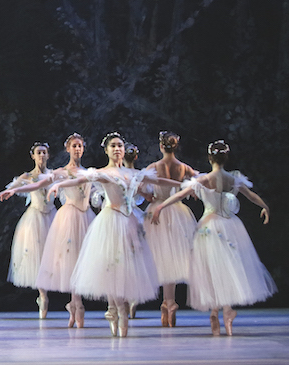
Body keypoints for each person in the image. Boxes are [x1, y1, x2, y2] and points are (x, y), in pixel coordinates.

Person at [45, 132, 183, 337]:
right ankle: (113, 309)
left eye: (120, 145)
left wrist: (189, 184)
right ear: (107, 150)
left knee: (127, 266)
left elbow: (161, 180)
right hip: (110, 222)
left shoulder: (133, 174)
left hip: (129, 224)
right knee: (111, 265)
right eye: (113, 146)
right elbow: (80, 179)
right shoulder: (103, 173)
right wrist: (58, 184)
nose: (117, 149)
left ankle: (121, 310)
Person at [150, 140, 276, 336]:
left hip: (207, 228)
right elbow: (251, 196)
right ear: (225, 158)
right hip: (229, 227)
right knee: (228, 268)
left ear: (210, 159)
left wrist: (160, 206)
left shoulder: (203, 180)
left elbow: (180, 194)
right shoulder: (233, 180)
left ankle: (215, 311)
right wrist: (265, 207)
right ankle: (227, 311)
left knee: (212, 269)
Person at [0, 133, 94, 327]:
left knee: (84, 258)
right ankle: (76, 304)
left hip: (86, 217)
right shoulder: (59, 172)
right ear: (68, 149)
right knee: (71, 259)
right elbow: (39, 184)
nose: (77, 149)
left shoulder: (90, 172)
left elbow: (103, 186)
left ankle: (76, 303)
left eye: (80, 146)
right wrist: (14, 190)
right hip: (68, 218)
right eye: (74, 146)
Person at [0, 142, 57, 318]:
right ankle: (43, 297)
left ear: (48, 155)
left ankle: (60, 295)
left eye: (44, 152)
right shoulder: (27, 176)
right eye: (38, 152)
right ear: (33, 156)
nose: (42, 155)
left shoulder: (54, 175)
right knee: (37, 257)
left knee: (55, 255)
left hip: (52, 216)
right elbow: (7, 192)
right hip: (35, 218)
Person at [143, 131, 198, 327]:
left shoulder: (154, 167)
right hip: (178, 212)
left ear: (160, 146)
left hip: (158, 211)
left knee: (162, 257)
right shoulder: (184, 168)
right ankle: (171, 302)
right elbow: (199, 181)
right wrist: (192, 191)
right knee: (173, 257)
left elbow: (140, 184)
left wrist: (149, 196)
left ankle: (166, 303)